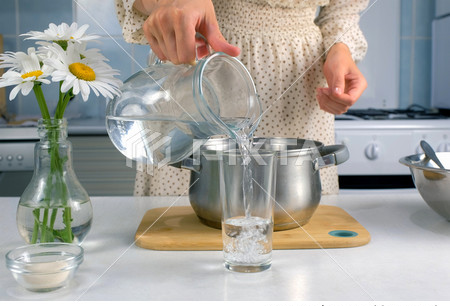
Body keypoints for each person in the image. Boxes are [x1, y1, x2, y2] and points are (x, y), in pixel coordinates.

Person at [115, 0, 368, 196]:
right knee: (177, 234)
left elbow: (341, 11)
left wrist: (339, 49)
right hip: (196, 67)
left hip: (299, 90)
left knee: (299, 231)